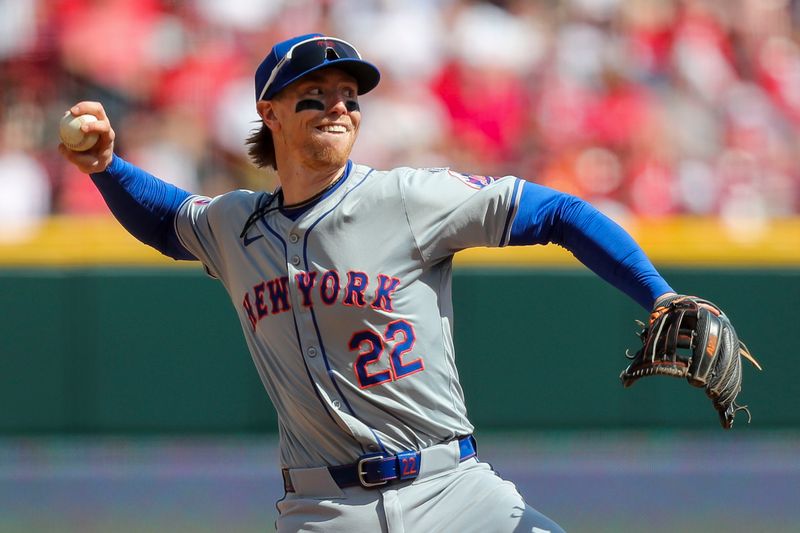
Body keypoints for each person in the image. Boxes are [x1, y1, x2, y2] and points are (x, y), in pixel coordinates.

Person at [60, 33, 677, 533]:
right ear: (268, 113)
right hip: (321, 511)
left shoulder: (406, 198)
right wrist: (107, 168)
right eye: (316, 92)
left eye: (349, 95)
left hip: (452, 492)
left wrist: (659, 294)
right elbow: (168, 219)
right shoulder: (235, 225)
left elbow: (559, 214)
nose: (338, 105)